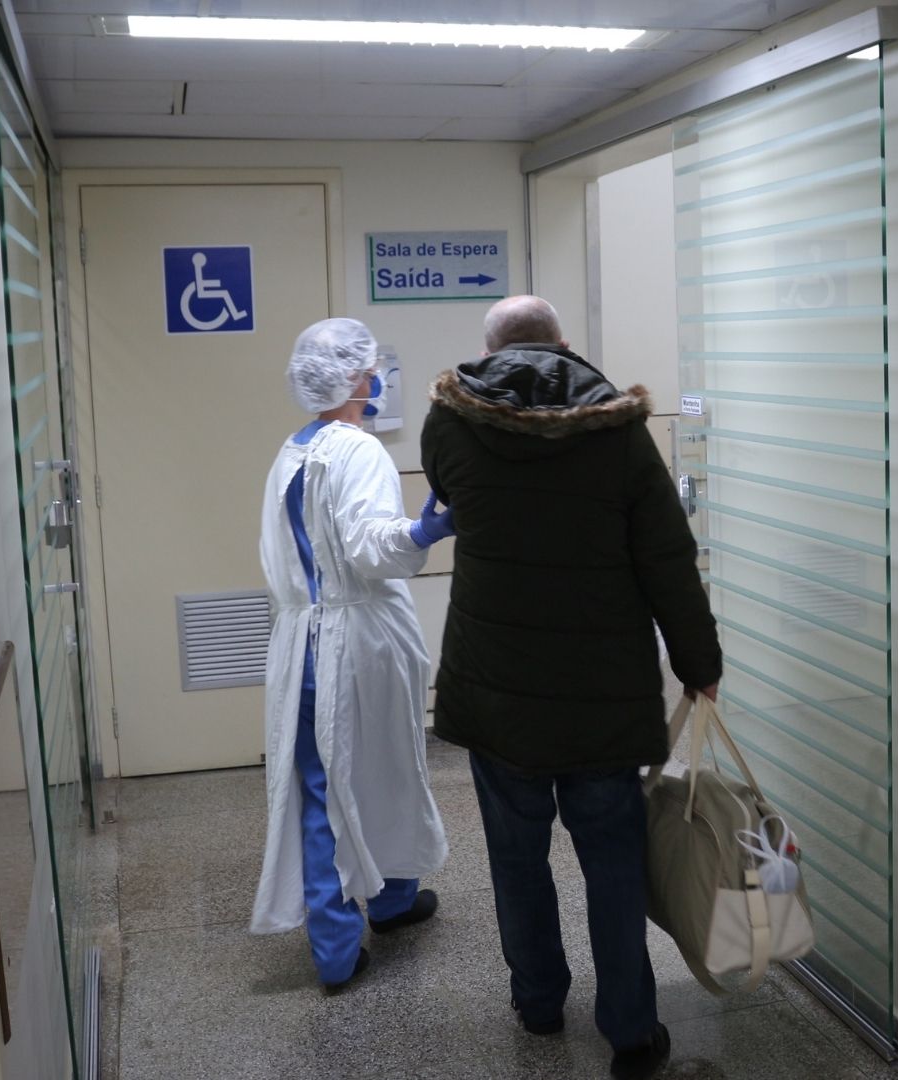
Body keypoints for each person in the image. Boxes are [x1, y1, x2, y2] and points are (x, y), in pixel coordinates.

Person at [422, 296, 721, 1079]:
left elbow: (450, 495)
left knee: (516, 858)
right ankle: (630, 1030)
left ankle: (539, 1002)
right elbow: (667, 559)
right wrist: (700, 664)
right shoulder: (618, 432)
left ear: (490, 350)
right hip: (601, 695)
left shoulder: (450, 424)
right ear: (562, 343)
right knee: (613, 862)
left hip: (497, 689)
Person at [250, 317, 457, 992]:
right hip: (356, 642)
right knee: (375, 773)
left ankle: (383, 907)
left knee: (330, 783)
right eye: (370, 371)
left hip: (303, 646)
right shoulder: (357, 450)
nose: (377, 379)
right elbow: (371, 550)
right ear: (352, 379)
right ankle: (346, 944)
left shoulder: (292, 450)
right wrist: (426, 529)